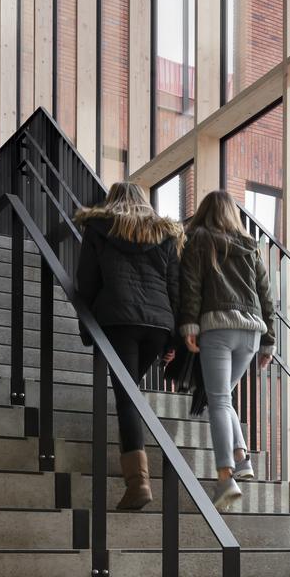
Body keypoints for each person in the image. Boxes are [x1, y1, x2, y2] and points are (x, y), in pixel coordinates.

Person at [75, 182, 183, 511]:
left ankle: (138, 483)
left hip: (118, 320)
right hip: (157, 324)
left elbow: (87, 280)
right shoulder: (164, 233)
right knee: (130, 393)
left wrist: (88, 328)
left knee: (126, 399)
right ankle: (137, 475)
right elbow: (174, 286)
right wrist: (173, 337)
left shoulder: (99, 227)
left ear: (112, 201)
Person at [178, 191, 275, 510]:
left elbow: (191, 284)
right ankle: (241, 458)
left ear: (205, 212)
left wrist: (189, 324)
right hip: (250, 331)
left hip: (217, 326)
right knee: (223, 399)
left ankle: (225, 478)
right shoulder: (250, 246)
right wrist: (269, 339)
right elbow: (265, 294)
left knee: (217, 401)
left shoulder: (200, 238)